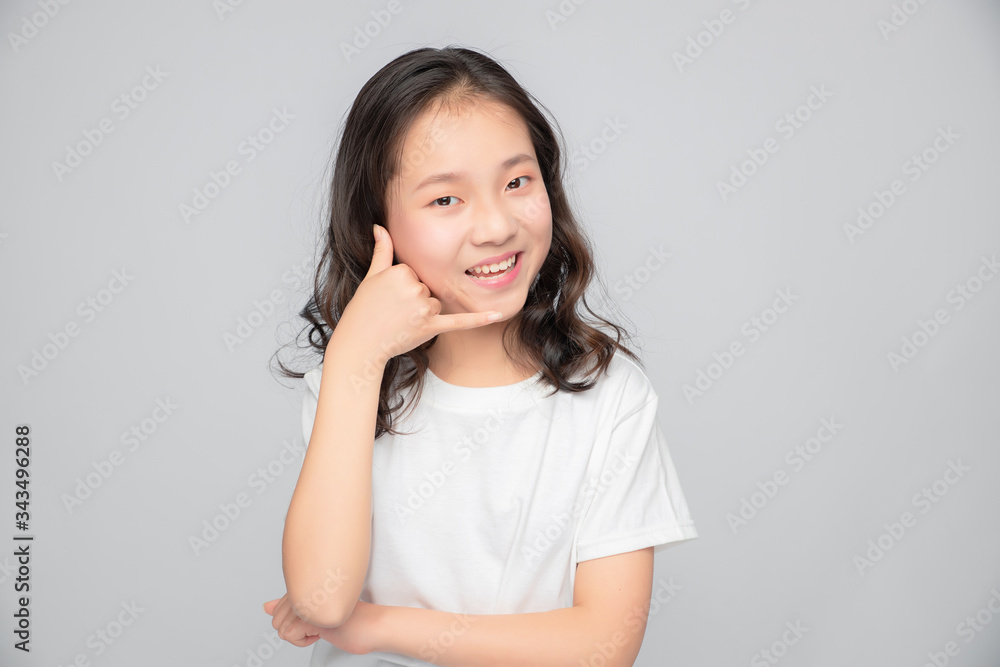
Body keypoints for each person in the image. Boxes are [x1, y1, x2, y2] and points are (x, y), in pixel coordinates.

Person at [263, 45, 698, 666]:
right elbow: (323, 600)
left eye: (517, 182)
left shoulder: (610, 396)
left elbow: (604, 646)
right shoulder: (352, 382)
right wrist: (355, 356)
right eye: (446, 199)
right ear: (374, 227)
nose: (495, 226)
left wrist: (379, 627)